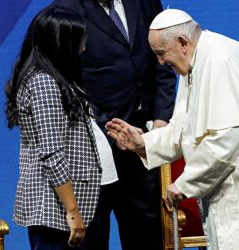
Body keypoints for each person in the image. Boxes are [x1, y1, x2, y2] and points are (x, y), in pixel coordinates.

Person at [106, 9, 239, 250]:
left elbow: (224, 142)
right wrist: (144, 143)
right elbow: (184, 128)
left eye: (161, 53)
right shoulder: (196, 61)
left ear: (182, 42)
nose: (161, 62)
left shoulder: (219, 59)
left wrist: (183, 185)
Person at [49, 1, 177, 249]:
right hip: (93, 143)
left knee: (147, 234)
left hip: (142, 139)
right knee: (93, 237)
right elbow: (64, 78)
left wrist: (161, 121)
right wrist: (107, 127)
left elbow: (161, 62)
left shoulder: (144, 3)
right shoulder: (66, 8)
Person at [5, 6, 102, 249]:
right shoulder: (44, 83)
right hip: (54, 209)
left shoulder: (53, 76)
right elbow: (52, 153)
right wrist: (72, 211)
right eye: (77, 41)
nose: (83, 48)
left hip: (59, 207)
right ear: (60, 43)